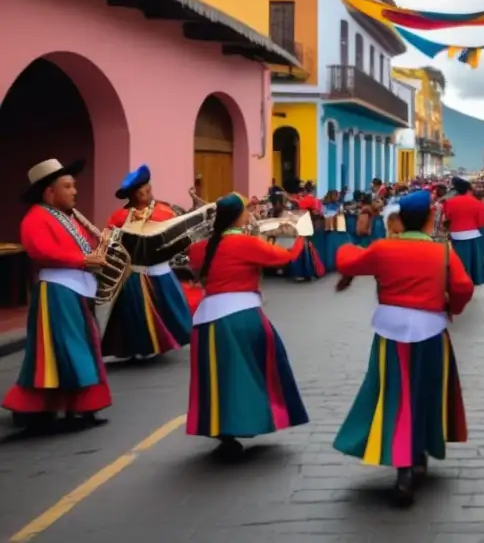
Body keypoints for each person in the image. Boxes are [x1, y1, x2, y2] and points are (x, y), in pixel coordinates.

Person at [333, 190, 474, 504]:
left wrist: (347, 246)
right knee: (427, 392)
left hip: (392, 332)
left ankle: (404, 466)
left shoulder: (385, 248)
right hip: (432, 332)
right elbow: (463, 287)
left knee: (396, 395)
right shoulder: (443, 252)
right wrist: (452, 305)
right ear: (428, 219)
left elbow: (348, 261)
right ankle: (418, 451)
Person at [185, 193, 309, 456]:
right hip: (242, 316)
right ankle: (250, 419)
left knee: (218, 377)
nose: (250, 213)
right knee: (254, 371)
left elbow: (195, 263)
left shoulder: (201, 247)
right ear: (238, 215)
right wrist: (300, 238)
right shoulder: (245, 243)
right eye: (246, 210)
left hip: (207, 321)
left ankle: (222, 428)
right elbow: (283, 257)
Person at [3, 159, 112, 431]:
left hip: (74, 289)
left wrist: (101, 251)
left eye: (73, 186)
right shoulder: (35, 219)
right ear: (49, 192)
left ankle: (76, 406)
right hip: (56, 292)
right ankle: (74, 407)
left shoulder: (67, 218)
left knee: (79, 346)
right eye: (68, 186)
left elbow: (83, 248)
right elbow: (43, 252)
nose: (75, 192)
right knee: (68, 348)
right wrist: (85, 260)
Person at [103, 164, 193, 360]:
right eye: (141, 190)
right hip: (134, 272)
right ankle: (139, 347)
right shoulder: (119, 217)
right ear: (133, 194)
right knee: (134, 313)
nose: (146, 192)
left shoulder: (164, 211)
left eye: (148, 188)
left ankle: (165, 341)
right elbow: (109, 241)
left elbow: (180, 235)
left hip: (160, 269)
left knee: (169, 309)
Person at [444, 177, 484, 285]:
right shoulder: (478, 203)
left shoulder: (449, 202)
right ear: (469, 190)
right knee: (475, 260)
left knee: (458, 259)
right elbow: (481, 222)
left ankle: (458, 279)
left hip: (455, 235)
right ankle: (475, 279)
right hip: (473, 234)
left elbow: (447, 218)